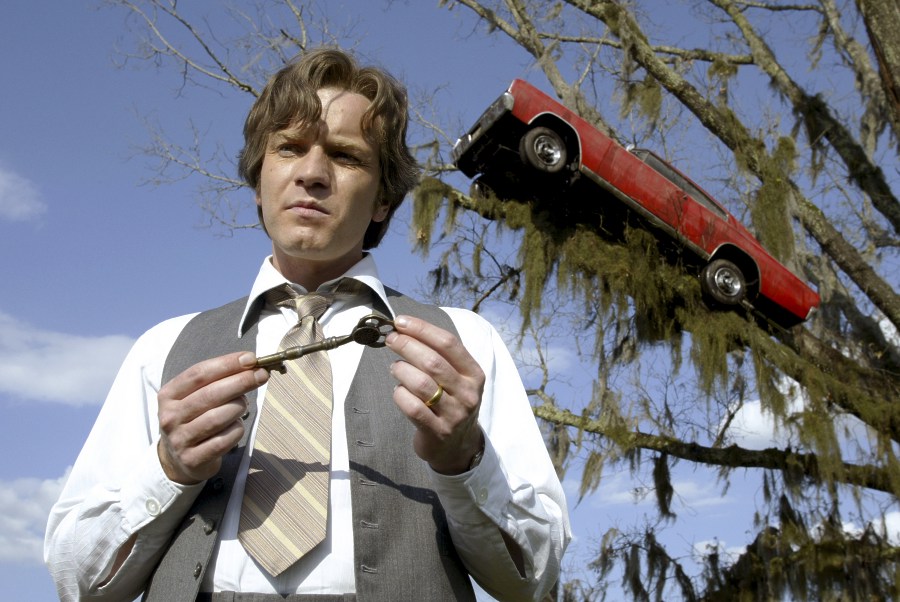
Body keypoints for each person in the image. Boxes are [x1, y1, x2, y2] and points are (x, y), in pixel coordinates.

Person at [45, 47, 570, 602]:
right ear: (259, 182)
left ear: (383, 199)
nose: (312, 174)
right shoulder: (164, 349)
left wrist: (467, 460)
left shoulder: (464, 347)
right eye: (289, 148)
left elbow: (533, 581)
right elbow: (78, 583)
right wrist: (168, 468)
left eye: (345, 156)